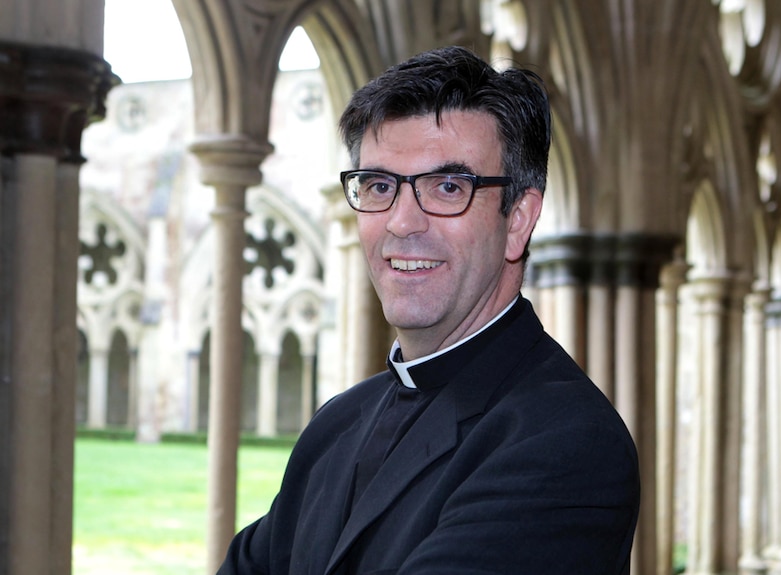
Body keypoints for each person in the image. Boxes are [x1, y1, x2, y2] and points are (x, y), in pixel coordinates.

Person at [217, 45, 639, 575]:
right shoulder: (337, 424)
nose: (402, 222)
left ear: (519, 220)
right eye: (378, 186)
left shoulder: (565, 443)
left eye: (447, 187)